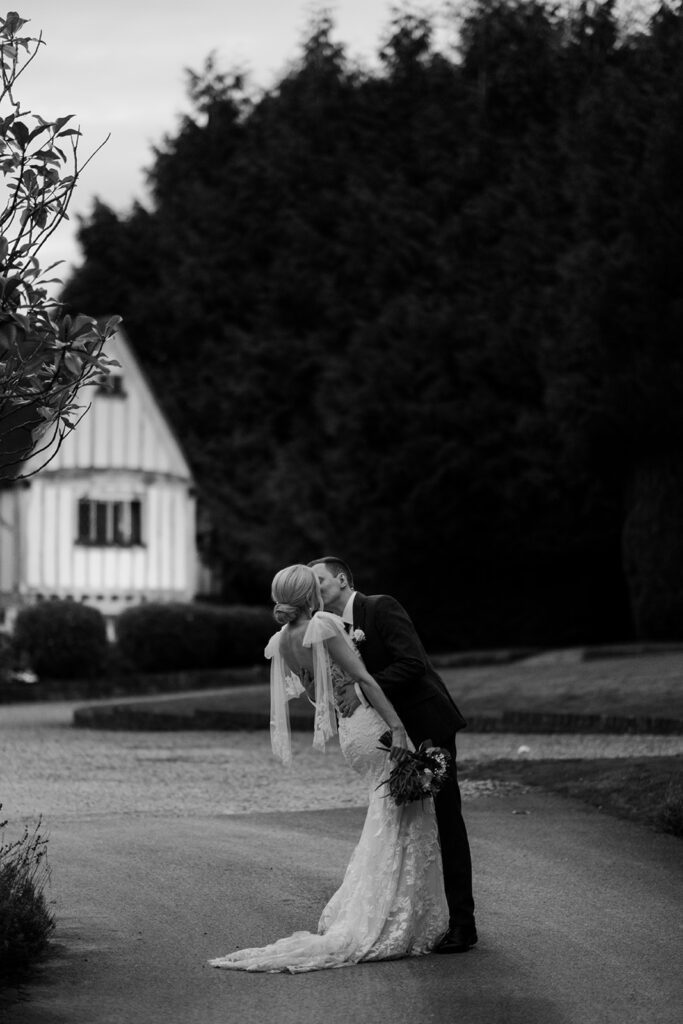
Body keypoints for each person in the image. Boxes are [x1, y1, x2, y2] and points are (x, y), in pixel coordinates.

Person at [209, 564, 449, 973]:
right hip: (372, 727)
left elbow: (313, 692)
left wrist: (339, 699)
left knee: (389, 815)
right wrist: (397, 728)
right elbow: (366, 680)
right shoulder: (323, 624)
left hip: (350, 734)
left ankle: (389, 909)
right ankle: (390, 918)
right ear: (310, 596)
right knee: (401, 817)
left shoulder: (282, 641)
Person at [308, 556, 477, 955]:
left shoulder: (380, 607)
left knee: (445, 818)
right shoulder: (327, 629)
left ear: (343, 579)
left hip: (425, 723)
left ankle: (463, 924)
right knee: (405, 826)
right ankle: (412, 916)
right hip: (387, 736)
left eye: (320, 581)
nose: (315, 590)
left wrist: (362, 689)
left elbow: (412, 664)